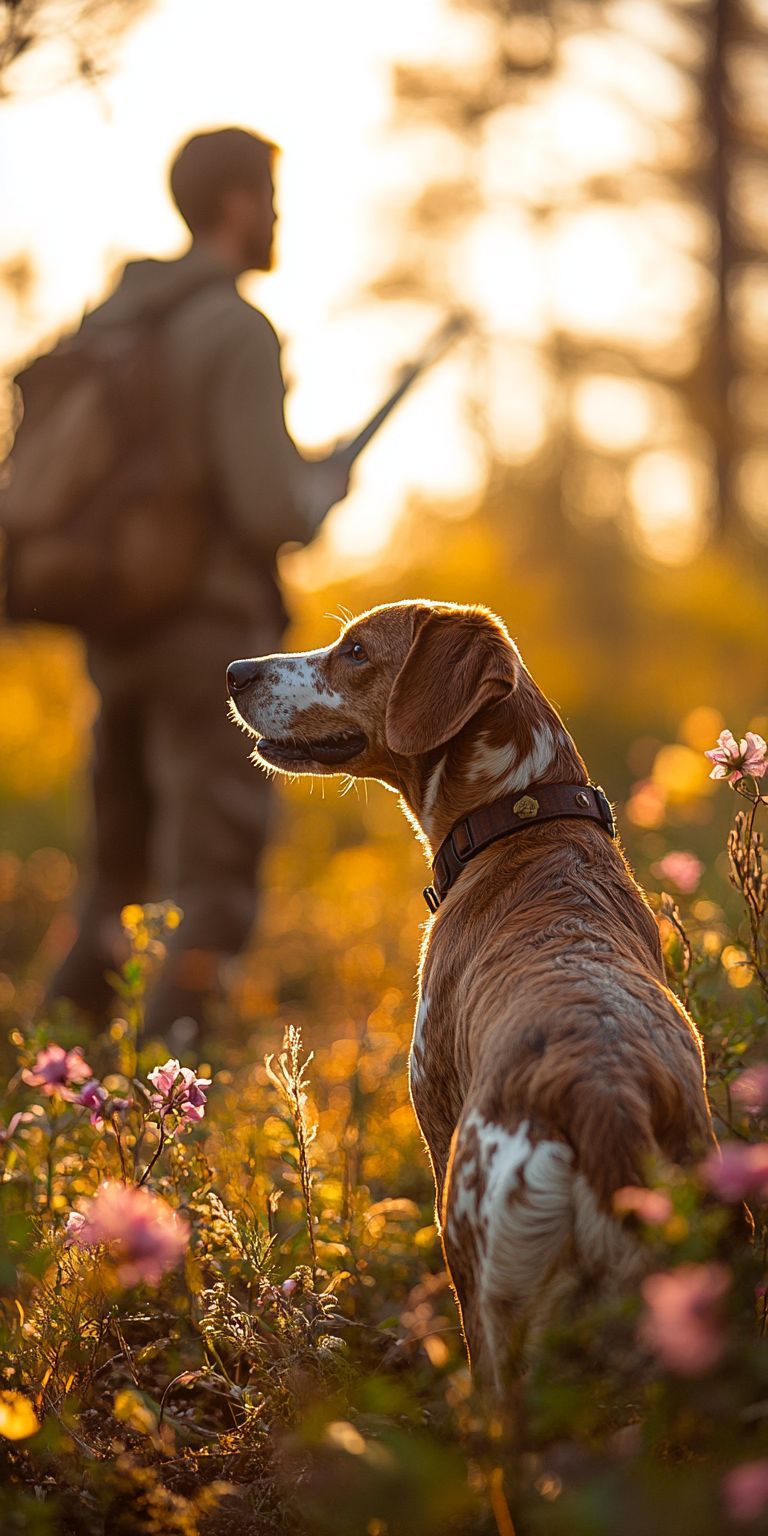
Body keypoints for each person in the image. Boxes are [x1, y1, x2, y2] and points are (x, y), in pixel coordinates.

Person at [47, 126, 351, 1043]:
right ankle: (167, 1103)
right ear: (235, 204)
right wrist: (319, 492)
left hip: (118, 631)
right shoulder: (237, 328)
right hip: (210, 645)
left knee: (116, 874)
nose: (279, 215)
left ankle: (48, 1089)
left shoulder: (123, 317)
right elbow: (268, 512)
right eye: (270, 195)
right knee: (210, 882)